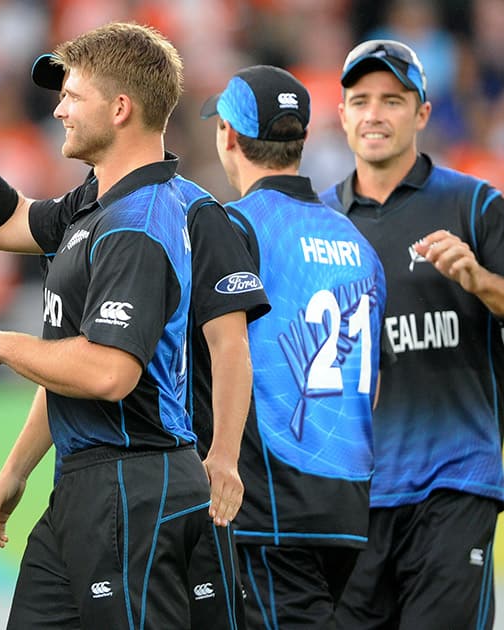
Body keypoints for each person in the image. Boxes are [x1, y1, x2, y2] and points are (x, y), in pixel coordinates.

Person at [0, 23, 264, 628]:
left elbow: (121, 368)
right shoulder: (91, 205)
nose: (57, 107)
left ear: (120, 108)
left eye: (72, 95)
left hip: (141, 477)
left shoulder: (162, 219)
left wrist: (224, 455)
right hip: (87, 482)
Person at [321, 39, 504, 630]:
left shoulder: (475, 205)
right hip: (350, 499)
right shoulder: (319, 225)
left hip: (454, 483)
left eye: (393, 101)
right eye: (361, 100)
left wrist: (478, 279)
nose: (375, 114)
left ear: (422, 113)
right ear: (343, 114)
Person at [201, 65, 387, 628]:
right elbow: (371, 387)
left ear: (228, 135)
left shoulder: (232, 225)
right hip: (348, 501)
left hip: (269, 502)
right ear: (301, 141)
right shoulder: (357, 241)